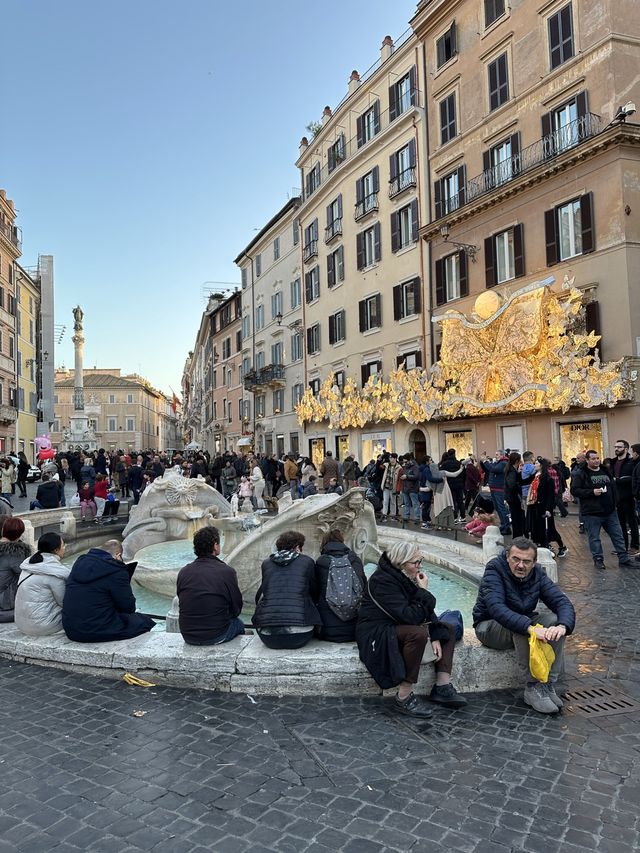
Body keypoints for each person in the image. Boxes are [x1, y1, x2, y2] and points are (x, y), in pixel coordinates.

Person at [356, 541, 466, 717]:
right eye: (416, 562)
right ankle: (404, 696)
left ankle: (442, 686)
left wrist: (436, 633)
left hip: (398, 624)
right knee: (418, 634)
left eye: (420, 560)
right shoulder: (382, 581)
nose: (419, 566)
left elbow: (423, 612)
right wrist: (423, 591)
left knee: (447, 629)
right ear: (401, 563)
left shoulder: (403, 576)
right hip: (377, 631)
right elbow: (410, 616)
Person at [473, 537, 576, 714]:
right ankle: (532, 687)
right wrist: (530, 628)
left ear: (534, 562)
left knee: (553, 621)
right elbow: (496, 608)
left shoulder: (537, 573)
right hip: (489, 627)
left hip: (520, 620)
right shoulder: (494, 569)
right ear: (507, 557)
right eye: (516, 559)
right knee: (522, 627)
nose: (521, 566)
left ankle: (547, 684)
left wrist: (563, 627)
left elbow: (561, 602)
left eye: (526, 561)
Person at [62, 539, 155, 642]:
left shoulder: (79, 564)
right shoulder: (116, 570)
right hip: (96, 630)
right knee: (145, 621)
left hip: (71, 630)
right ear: (118, 555)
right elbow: (128, 607)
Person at [571, 450, 638, 570]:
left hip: (610, 511)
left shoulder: (605, 470)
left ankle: (624, 559)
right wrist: (591, 492)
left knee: (618, 535)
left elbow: (613, 487)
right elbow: (575, 490)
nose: (596, 460)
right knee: (594, 538)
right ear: (587, 460)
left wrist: (615, 502)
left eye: (597, 458)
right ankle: (598, 559)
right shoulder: (581, 473)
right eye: (593, 459)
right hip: (592, 512)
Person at [176, 526, 244, 645]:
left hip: (188, 635)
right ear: (215, 546)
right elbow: (236, 608)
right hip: (216, 634)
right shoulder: (227, 571)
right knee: (239, 623)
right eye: (218, 542)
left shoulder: (183, 572)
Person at [252, 531, 320, 649]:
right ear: (298, 547)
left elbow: (264, 592)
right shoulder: (307, 562)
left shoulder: (266, 563)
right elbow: (315, 593)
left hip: (267, 636)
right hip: (300, 635)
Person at [313, 529, 366, 642]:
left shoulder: (321, 562)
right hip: (355, 631)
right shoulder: (355, 560)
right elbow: (364, 587)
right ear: (342, 541)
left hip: (327, 631)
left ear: (324, 543)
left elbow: (314, 592)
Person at [14, 532, 69, 636]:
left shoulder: (28, 564)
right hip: (42, 626)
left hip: (21, 624)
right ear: (56, 550)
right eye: (63, 545)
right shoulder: (55, 572)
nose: (65, 547)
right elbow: (64, 602)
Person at [525, 458, 568, 557]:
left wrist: (549, 509)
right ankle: (543, 546)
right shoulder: (535, 476)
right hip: (534, 506)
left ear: (541, 466)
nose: (534, 465)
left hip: (544, 507)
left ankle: (561, 547)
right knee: (537, 529)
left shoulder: (547, 478)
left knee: (550, 528)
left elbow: (550, 495)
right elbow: (524, 481)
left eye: (536, 463)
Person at [610, 439, 639, 555]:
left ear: (626, 449)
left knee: (632, 523)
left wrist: (619, 480)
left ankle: (635, 546)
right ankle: (623, 547)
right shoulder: (612, 462)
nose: (616, 449)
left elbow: (635, 478)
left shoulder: (632, 462)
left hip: (629, 497)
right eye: (615, 447)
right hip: (616, 498)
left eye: (619, 447)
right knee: (620, 524)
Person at [0, 518, 31, 623]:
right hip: (5, 606)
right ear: (20, 533)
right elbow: (27, 577)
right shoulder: (17, 553)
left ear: (3, 530)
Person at [480, 450, 511, 535]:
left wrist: (485, 461)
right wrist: (483, 460)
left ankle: (507, 526)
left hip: (499, 489)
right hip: (494, 488)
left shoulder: (504, 463)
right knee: (497, 508)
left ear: (502, 455)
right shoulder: (498, 462)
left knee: (501, 508)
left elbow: (493, 469)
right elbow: (488, 468)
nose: (495, 456)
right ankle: (503, 525)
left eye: (497, 455)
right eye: (495, 454)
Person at [439, 449, 466, 523]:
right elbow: (463, 474)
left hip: (450, 485)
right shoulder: (458, 463)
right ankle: (463, 517)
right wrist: (462, 483)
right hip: (459, 485)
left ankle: (455, 518)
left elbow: (441, 474)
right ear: (455, 453)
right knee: (460, 501)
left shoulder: (445, 464)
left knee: (453, 501)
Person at [504, 452, 525, 538]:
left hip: (511, 497)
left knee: (516, 517)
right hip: (513, 498)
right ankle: (517, 536)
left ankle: (517, 535)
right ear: (517, 461)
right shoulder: (512, 471)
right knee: (517, 518)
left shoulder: (511, 470)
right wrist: (519, 491)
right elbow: (512, 485)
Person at [400, 453, 421, 525]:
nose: (404, 463)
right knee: (406, 504)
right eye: (404, 462)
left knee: (415, 503)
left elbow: (416, 476)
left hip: (413, 488)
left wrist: (407, 476)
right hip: (405, 487)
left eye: (406, 462)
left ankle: (417, 518)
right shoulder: (405, 467)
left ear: (410, 460)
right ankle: (406, 517)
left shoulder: (415, 467)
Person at [380, 453, 401, 523]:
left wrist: (398, 489)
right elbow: (379, 467)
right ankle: (384, 516)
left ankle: (393, 516)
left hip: (393, 487)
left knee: (393, 502)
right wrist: (379, 460)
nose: (390, 459)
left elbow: (399, 479)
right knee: (385, 501)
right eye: (389, 458)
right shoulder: (386, 465)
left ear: (395, 458)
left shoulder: (399, 467)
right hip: (386, 486)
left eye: (391, 458)